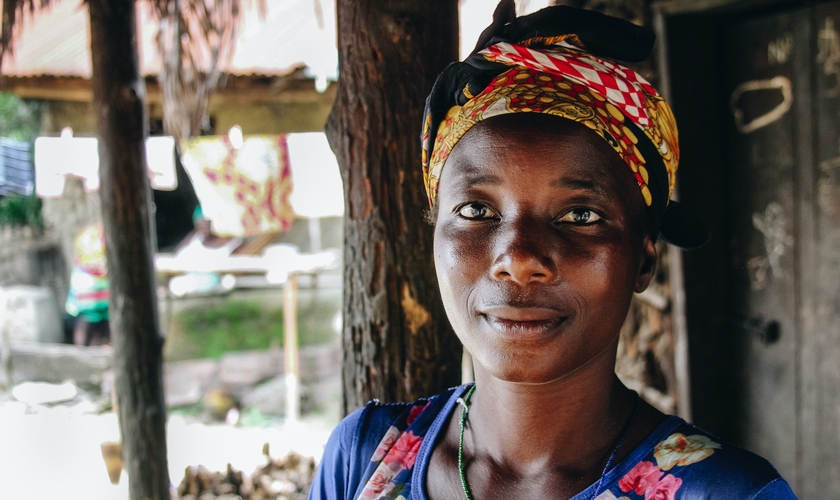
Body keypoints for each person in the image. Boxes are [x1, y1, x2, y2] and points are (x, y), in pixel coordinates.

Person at [310, 3, 796, 499]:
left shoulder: (726, 493)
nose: (519, 257)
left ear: (644, 258)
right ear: (435, 237)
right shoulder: (362, 458)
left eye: (580, 215)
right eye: (477, 211)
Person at [65, 223, 110, 346]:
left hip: (87, 294)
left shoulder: (86, 237)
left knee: (86, 325)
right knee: (103, 327)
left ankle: (82, 354)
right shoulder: (97, 238)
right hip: (99, 294)